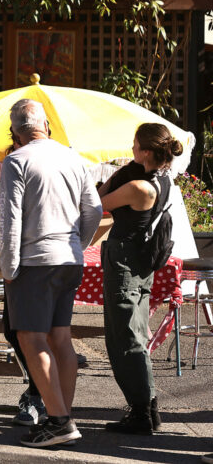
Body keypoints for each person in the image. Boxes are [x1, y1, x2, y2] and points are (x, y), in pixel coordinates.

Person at [0, 99, 102, 448]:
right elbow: (94, 209)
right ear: (45, 125)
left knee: (32, 339)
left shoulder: (17, 160)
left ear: (15, 132)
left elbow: (9, 219)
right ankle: (62, 417)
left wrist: (8, 268)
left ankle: (58, 421)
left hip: (35, 261)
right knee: (60, 338)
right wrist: (78, 243)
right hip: (68, 258)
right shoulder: (73, 157)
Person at [98, 123, 182, 435]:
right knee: (133, 334)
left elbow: (98, 202)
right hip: (140, 263)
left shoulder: (138, 186)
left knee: (125, 338)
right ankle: (148, 409)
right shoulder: (164, 179)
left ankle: (141, 412)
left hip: (125, 262)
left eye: (135, 145)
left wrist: (118, 174)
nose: (131, 149)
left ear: (146, 151)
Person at [0, 135, 46, 427]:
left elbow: (89, 208)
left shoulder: (51, 165)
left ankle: (40, 399)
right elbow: (0, 221)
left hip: (37, 264)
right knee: (16, 332)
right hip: (23, 265)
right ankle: (41, 396)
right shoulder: (15, 166)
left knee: (36, 334)